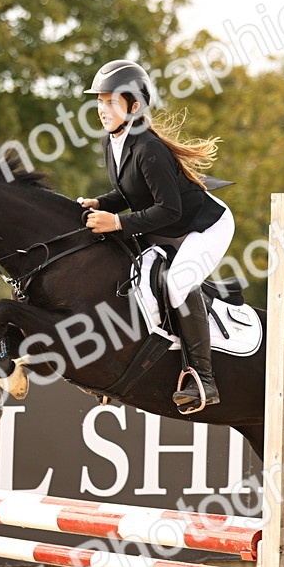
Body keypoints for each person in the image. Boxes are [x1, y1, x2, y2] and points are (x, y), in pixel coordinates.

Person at [77, 59, 235, 413]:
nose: (103, 110)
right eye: (100, 102)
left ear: (134, 106)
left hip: (205, 226)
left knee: (178, 283)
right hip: (168, 228)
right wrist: (101, 202)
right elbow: (132, 194)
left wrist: (117, 223)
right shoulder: (113, 142)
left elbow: (170, 209)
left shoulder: (149, 148)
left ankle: (202, 378)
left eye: (111, 102)